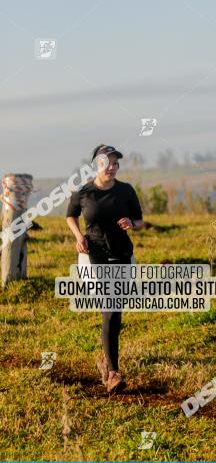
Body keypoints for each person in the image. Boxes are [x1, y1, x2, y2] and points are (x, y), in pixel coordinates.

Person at [66, 145, 144, 394]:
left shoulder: (126, 191)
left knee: (114, 310)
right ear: (96, 165)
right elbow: (70, 215)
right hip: (94, 257)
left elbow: (140, 220)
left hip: (122, 255)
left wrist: (132, 223)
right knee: (110, 308)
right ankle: (113, 372)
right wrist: (79, 236)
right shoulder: (84, 192)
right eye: (106, 163)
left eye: (115, 163)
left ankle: (107, 364)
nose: (112, 167)